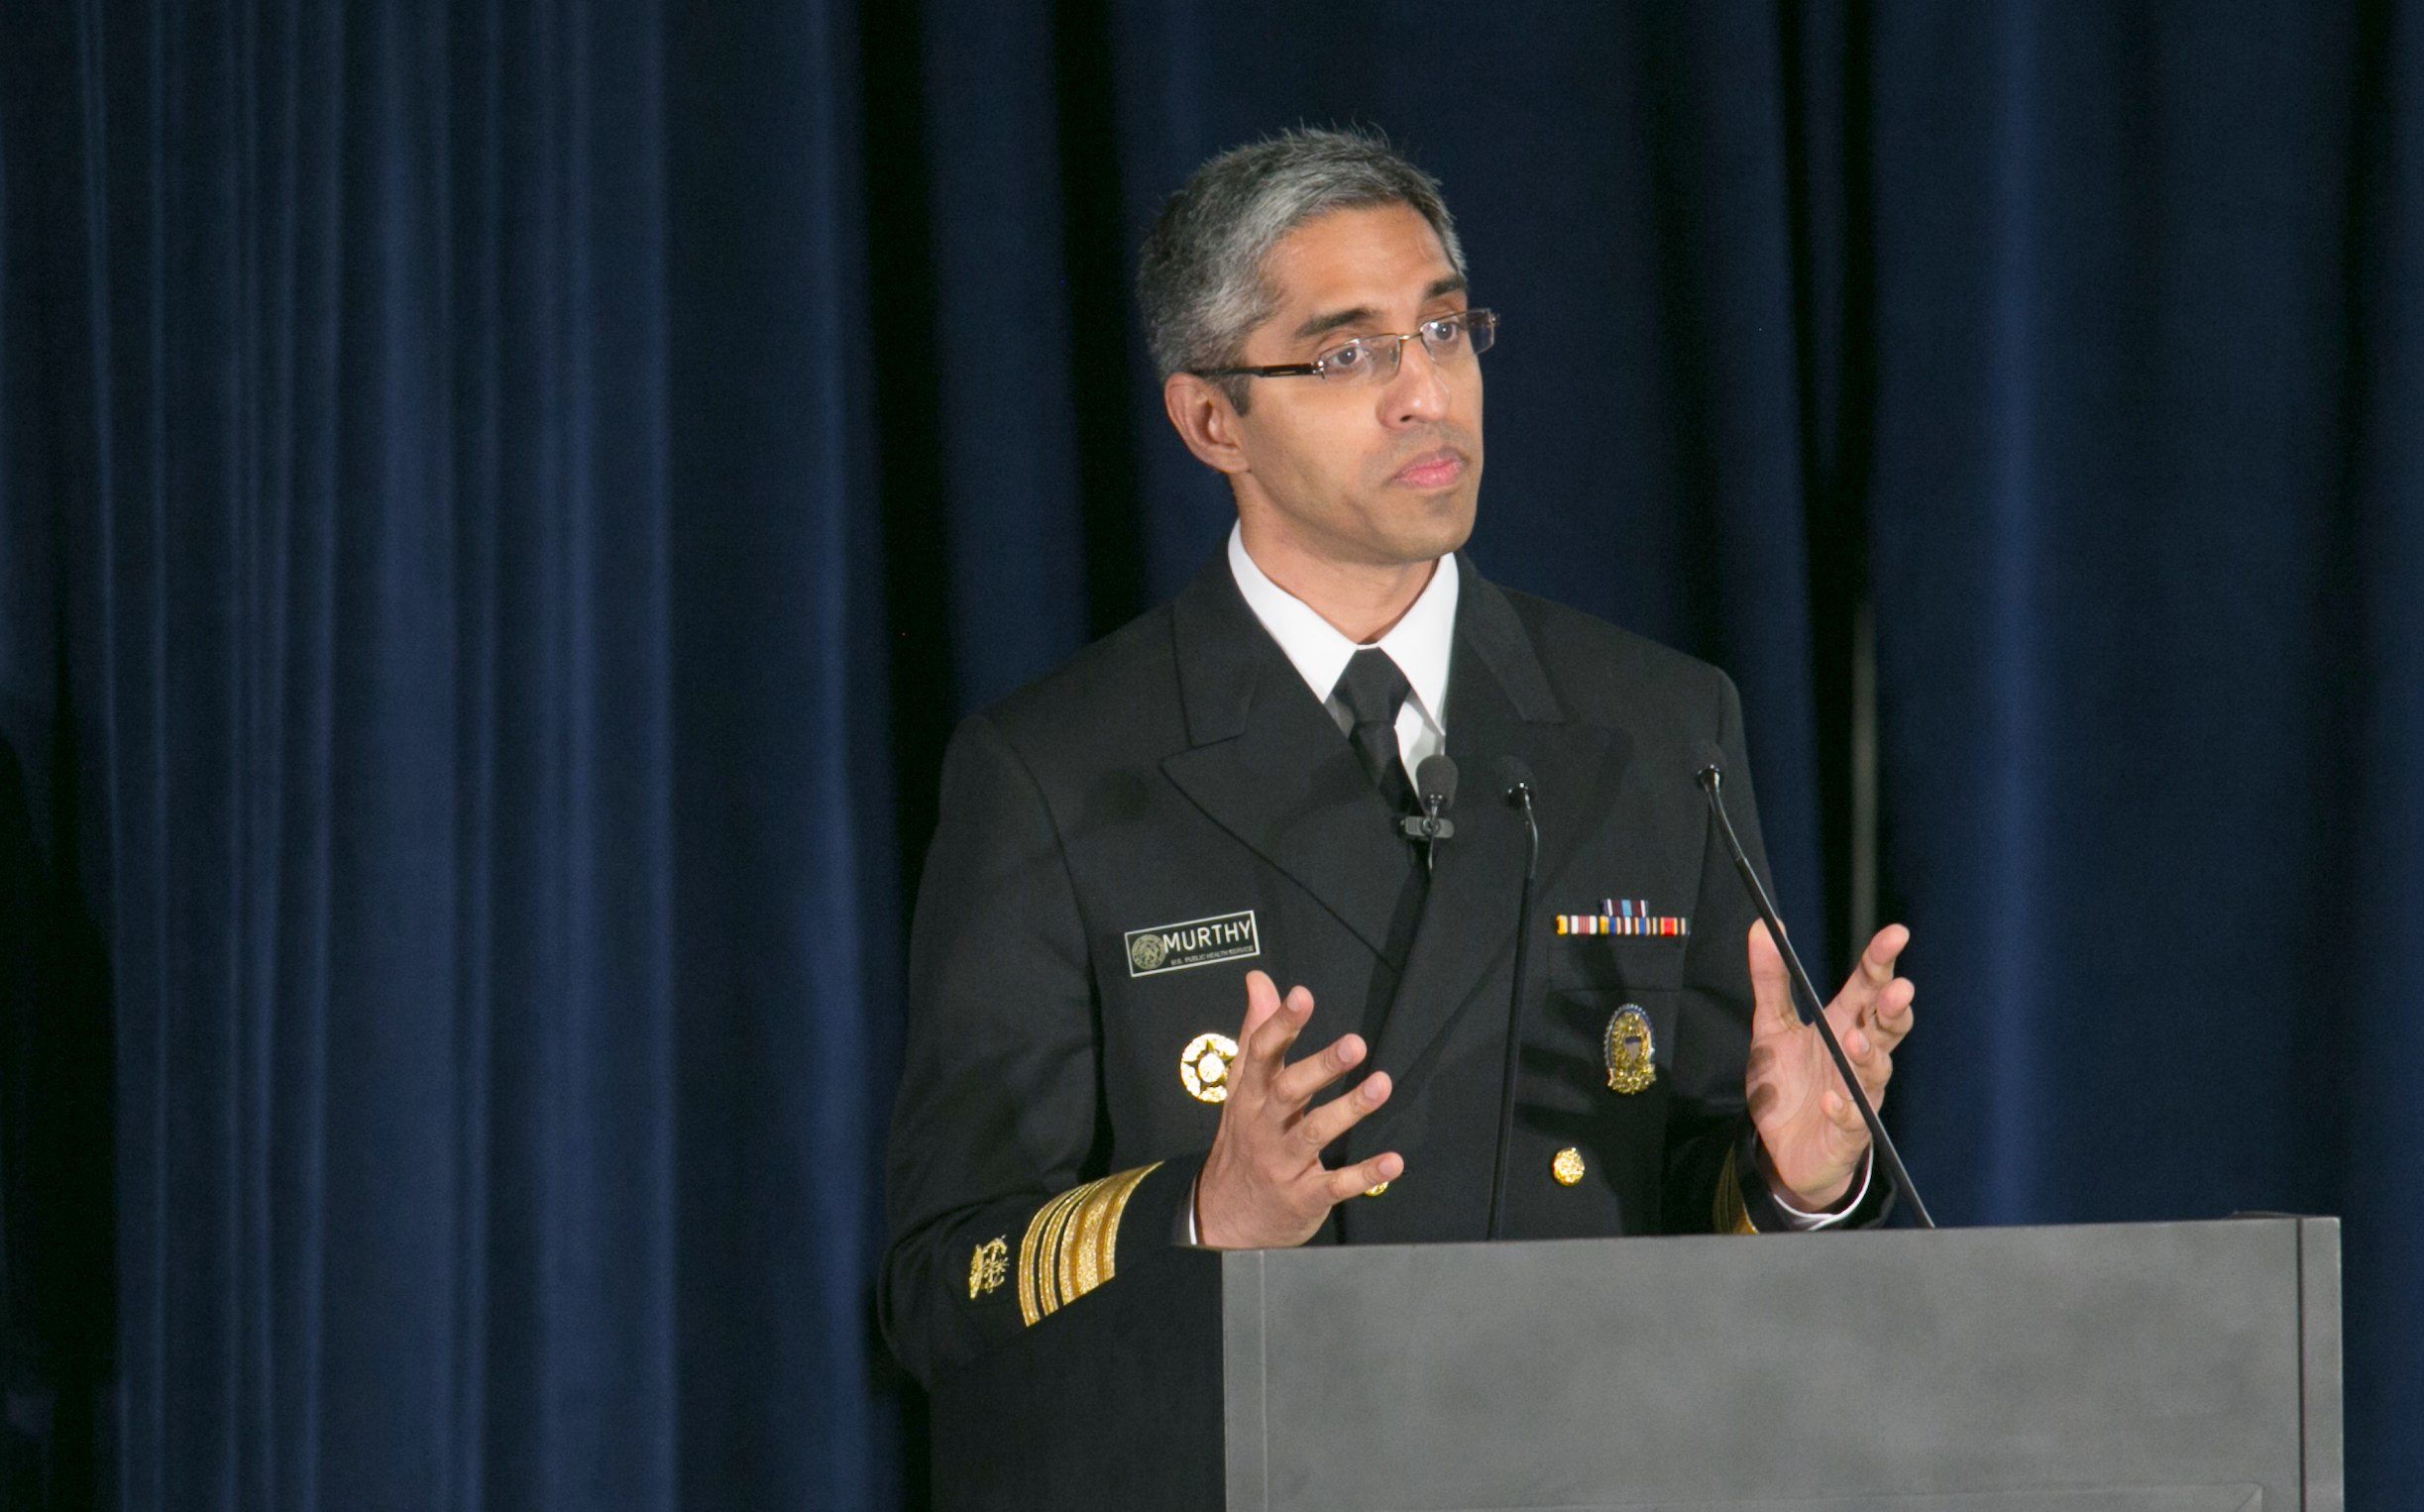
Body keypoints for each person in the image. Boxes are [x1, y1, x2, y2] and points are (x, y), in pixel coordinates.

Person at [879, 128, 1915, 1389]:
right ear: (1214, 420)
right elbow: (943, 1287)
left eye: (1442, 329)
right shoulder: (1052, 770)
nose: (1424, 390)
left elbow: (1689, 1210)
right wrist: (1210, 1213)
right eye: (1347, 352)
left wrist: (1801, 1177)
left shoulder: (1657, 724)